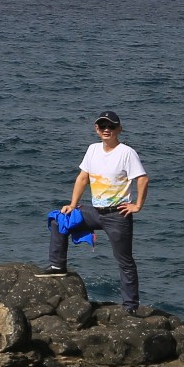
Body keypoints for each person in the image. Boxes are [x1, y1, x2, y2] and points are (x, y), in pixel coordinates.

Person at [44, 109, 149, 313]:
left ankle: (130, 307)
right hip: (94, 212)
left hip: (118, 215)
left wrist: (137, 205)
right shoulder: (92, 149)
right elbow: (83, 177)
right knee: (59, 219)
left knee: (125, 261)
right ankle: (57, 266)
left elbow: (142, 178)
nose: (106, 130)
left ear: (119, 129)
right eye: (102, 126)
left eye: (111, 126)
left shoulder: (127, 153)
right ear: (96, 129)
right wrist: (73, 205)